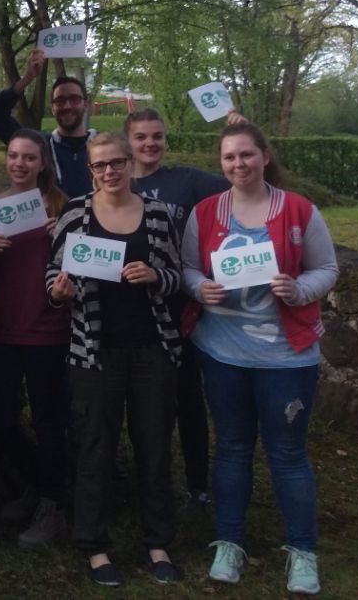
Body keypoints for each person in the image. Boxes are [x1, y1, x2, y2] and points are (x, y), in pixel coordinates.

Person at [181, 123, 338, 596]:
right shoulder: (206, 212)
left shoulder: (298, 210)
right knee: (230, 447)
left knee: (288, 455)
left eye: (246, 155)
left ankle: (303, 552)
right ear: (221, 163)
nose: (238, 165)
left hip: (286, 357)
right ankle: (229, 543)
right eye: (229, 158)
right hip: (222, 352)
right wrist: (198, 287)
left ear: (264, 157)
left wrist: (298, 288)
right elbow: (188, 267)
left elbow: (326, 268)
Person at [46, 132, 183, 588]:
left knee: (154, 447)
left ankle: (159, 541)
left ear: (130, 164)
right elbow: (54, 273)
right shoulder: (76, 214)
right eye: (100, 165)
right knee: (94, 446)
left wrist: (155, 276)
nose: (109, 172)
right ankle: (94, 544)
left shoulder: (161, 216)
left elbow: (180, 275)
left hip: (153, 348)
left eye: (117, 163)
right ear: (90, 170)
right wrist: (59, 292)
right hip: (93, 349)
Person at [126, 108, 232, 508]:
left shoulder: (186, 180)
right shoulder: (114, 178)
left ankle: (197, 483)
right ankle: (144, 480)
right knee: (139, 404)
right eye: (141, 137)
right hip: (130, 307)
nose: (150, 143)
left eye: (157, 136)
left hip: (179, 307)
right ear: (128, 142)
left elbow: (242, 186)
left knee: (187, 397)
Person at [0, 128, 69, 548]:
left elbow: (80, 263)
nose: (19, 164)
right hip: (2, 328)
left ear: (42, 163)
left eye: (28, 157)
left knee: (49, 421)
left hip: (49, 329)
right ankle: (39, 483)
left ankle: (53, 504)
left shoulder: (61, 207)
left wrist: (60, 240)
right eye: (13, 155)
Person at [0, 49, 98, 198]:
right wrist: (28, 78)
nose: (67, 106)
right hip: (50, 220)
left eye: (75, 99)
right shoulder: (39, 144)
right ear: (52, 108)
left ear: (85, 105)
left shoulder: (102, 145)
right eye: (60, 101)